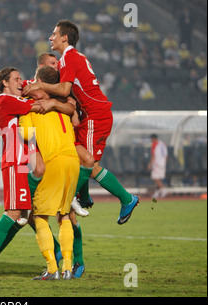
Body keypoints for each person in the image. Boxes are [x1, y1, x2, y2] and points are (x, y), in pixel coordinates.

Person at [24, 20, 139, 225]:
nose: (51, 38)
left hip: (95, 115)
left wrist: (40, 85)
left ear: (64, 37)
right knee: (80, 156)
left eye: (54, 34)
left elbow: (65, 90)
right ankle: (88, 197)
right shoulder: (73, 57)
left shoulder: (68, 57)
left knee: (87, 162)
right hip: (95, 114)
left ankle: (77, 198)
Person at [0, 67, 74, 281]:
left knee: (28, 215)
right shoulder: (5, 100)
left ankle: (53, 258)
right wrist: (56, 101)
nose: (21, 82)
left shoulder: (15, 93)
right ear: (5, 83)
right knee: (14, 212)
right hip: (14, 161)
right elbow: (36, 105)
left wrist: (44, 80)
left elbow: (35, 83)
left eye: (21, 78)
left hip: (25, 162)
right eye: (16, 79)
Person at [20, 65, 80, 280]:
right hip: (73, 161)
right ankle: (67, 268)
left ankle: (52, 268)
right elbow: (75, 120)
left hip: (54, 161)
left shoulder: (34, 106)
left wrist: (23, 116)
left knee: (40, 216)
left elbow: (26, 135)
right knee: (63, 215)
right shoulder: (63, 104)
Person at [148, 134, 168, 199]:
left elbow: (153, 155)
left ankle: (163, 190)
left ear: (153, 138)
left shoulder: (155, 144)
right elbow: (166, 155)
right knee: (158, 178)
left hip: (157, 163)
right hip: (163, 163)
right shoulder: (162, 144)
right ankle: (157, 193)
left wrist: (150, 164)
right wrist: (164, 162)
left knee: (155, 178)